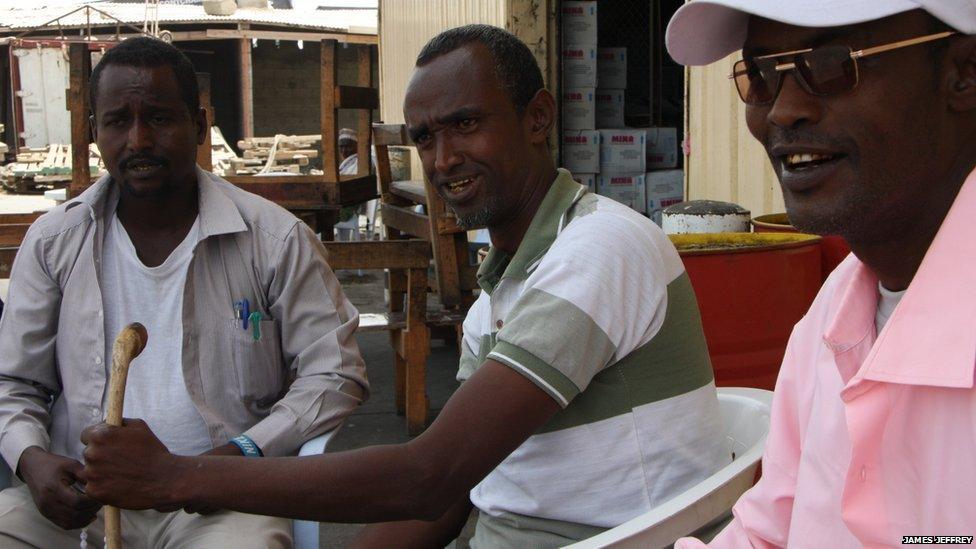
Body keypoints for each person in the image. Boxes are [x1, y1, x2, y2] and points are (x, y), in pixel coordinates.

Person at [78, 25, 728, 547]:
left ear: (537, 118)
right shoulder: (499, 296)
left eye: (466, 124)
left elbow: (428, 474)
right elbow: (453, 492)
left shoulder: (602, 246)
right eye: (425, 137)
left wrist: (178, 476)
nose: (443, 159)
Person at [0, 37, 368, 547]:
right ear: (93, 132)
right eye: (117, 122)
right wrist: (33, 460)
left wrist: (242, 454)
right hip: (82, 499)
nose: (138, 140)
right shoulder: (53, 242)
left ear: (199, 126)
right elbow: (13, 383)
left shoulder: (274, 239)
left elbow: (335, 371)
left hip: (220, 500)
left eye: (159, 118)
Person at [664, 1, 976, 546]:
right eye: (761, 75)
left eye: (834, 63)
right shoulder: (835, 311)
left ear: (963, 73)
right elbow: (768, 530)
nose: (783, 111)